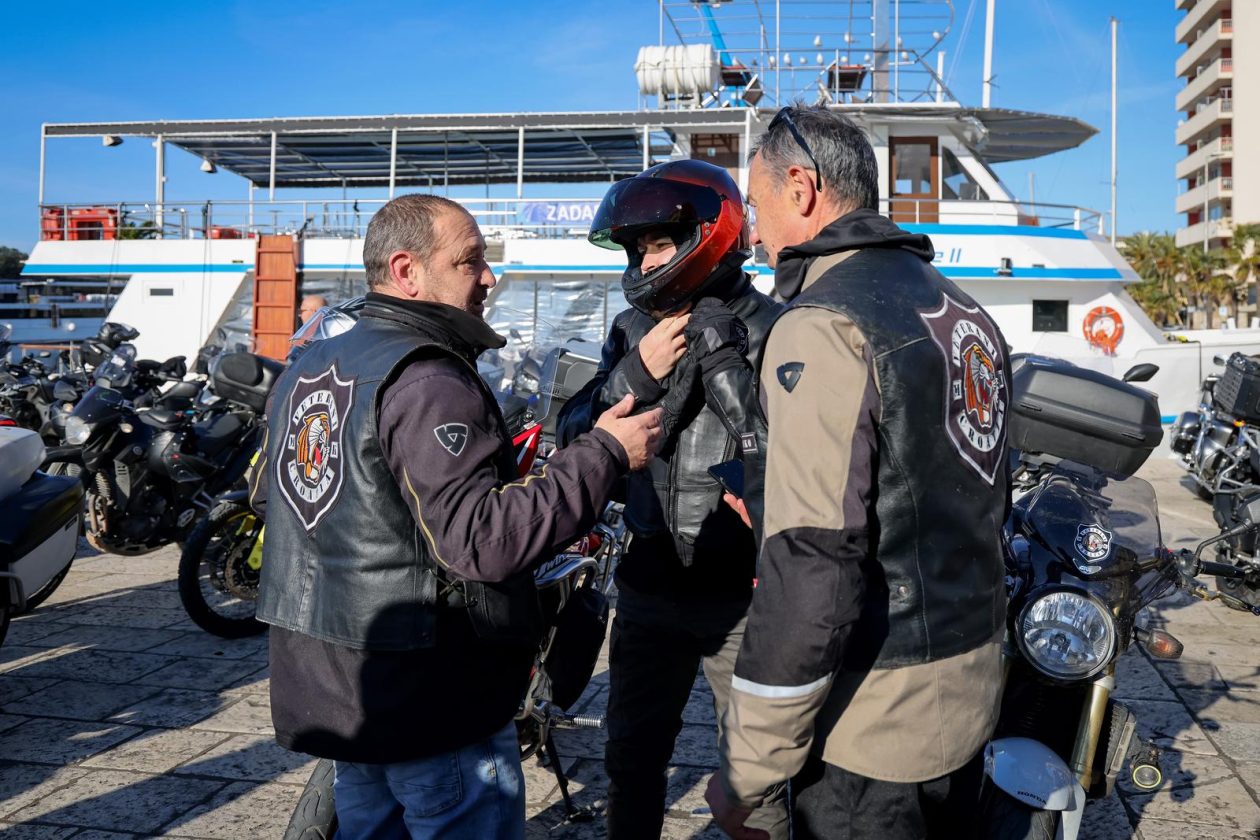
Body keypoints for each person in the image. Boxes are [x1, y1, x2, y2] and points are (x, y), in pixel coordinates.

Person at [250, 194, 663, 839]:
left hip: (340, 683)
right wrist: (605, 452)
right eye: (470, 261)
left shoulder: (309, 365)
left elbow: (278, 497)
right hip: (425, 694)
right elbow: (483, 542)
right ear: (408, 270)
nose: (489, 278)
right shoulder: (425, 378)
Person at [704, 105, 1010, 840]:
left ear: (801, 188)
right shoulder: (961, 309)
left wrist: (752, 766)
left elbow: (813, 559)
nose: (751, 231)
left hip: (871, 725)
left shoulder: (822, 323)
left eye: (757, 202)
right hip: (969, 687)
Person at [557, 159, 788, 839]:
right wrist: (636, 373)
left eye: (660, 242)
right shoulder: (632, 328)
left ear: (708, 234)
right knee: (630, 758)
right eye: (638, 247)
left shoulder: (777, 327)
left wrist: (729, 379)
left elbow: (800, 459)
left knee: (758, 778)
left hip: (744, 595)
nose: (647, 258)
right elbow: (573, 432)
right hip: (649, 586)